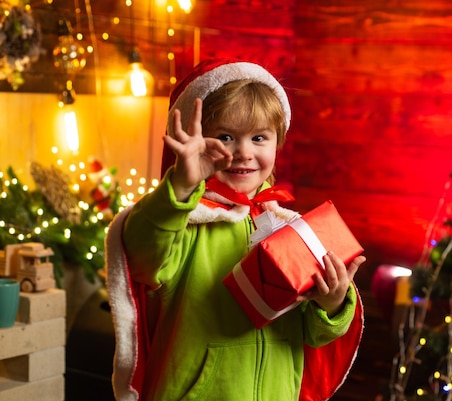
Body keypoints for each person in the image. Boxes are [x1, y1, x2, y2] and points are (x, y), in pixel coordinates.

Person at [105, 59, 366, 401]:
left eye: (259, 137)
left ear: (277, 142)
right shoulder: (181, 223)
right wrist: (182, 186)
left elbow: (314, 336)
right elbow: (141, 251)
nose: (244, 152)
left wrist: (332, 305)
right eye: (226, 137)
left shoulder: (289, 229)